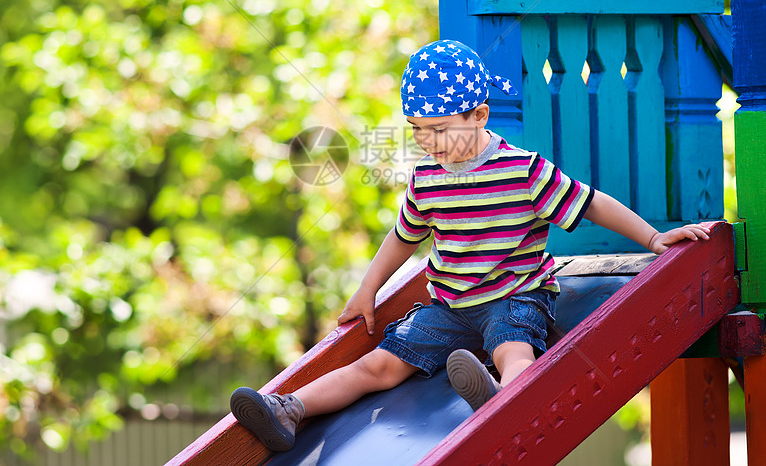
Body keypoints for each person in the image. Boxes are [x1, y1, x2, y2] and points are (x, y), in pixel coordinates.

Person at [229, 40, 711, 452]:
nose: (427, 140)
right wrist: (367, 290)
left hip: (516, 295)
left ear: (478, 115)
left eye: (439, 129)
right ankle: (289, 409)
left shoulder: (521, 170)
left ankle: (504, 395)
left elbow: (591, 204)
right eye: (418, 128)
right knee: (379, 365)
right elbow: (403, 237)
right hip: (451, 305)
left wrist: (652, 237)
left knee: (513, 347)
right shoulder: (426, 179)